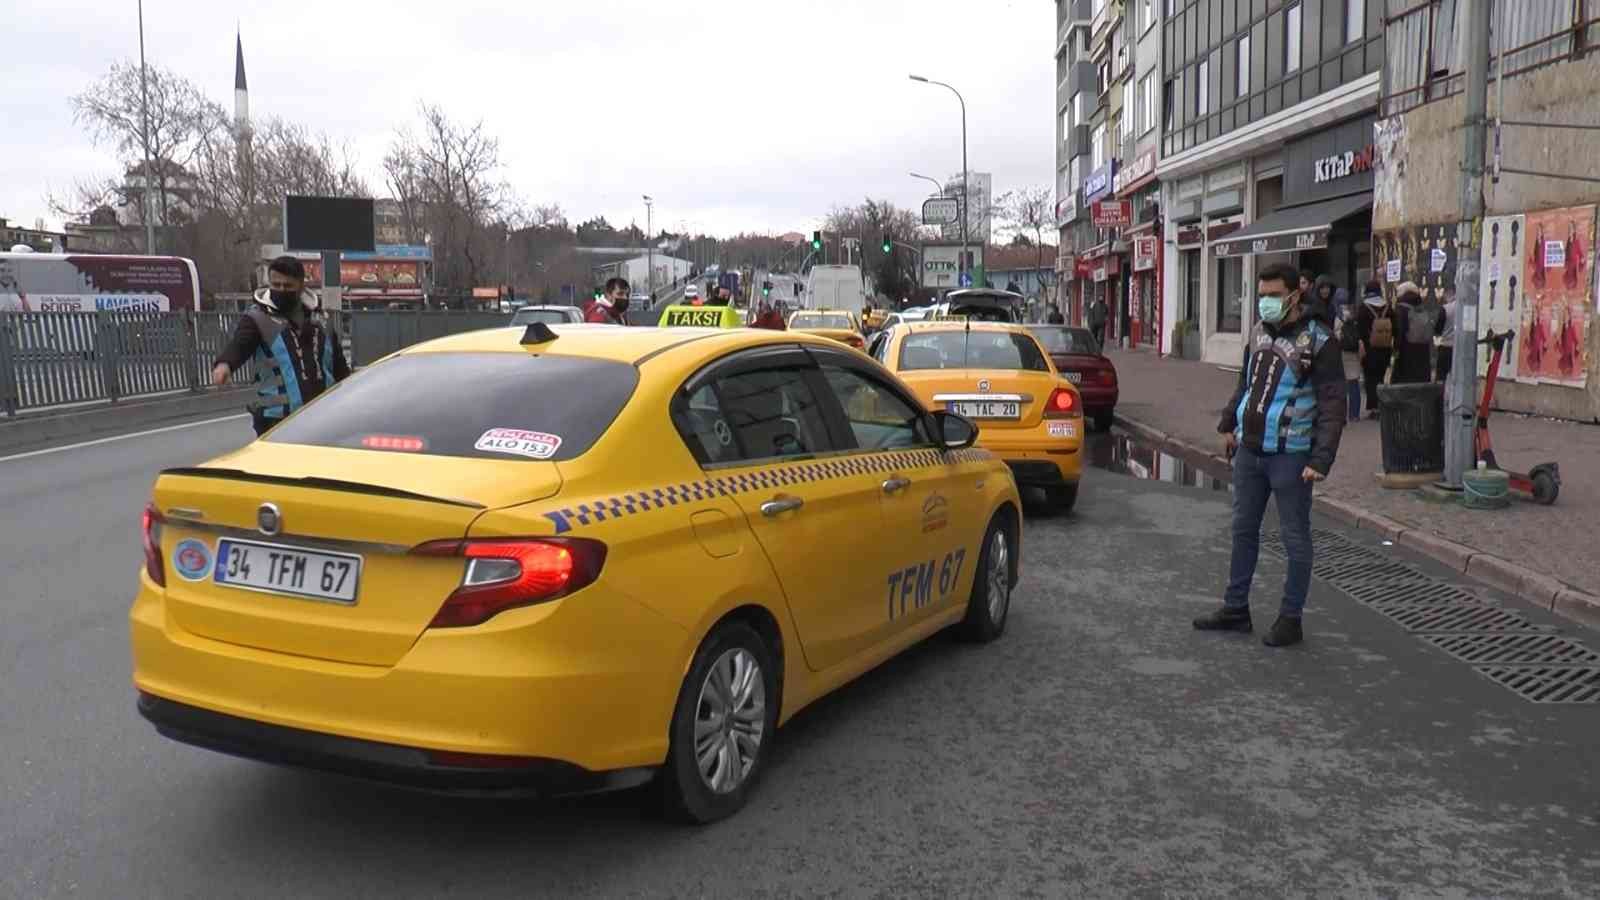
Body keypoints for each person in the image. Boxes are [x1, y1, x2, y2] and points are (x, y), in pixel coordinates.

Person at [1196, 262, 1346, 648]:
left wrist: (1320, 459)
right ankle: (1235, 609)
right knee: (1243, 530)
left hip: (1292, 456)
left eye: (1274, 295)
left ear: (1296, 294)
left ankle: (1290, 618)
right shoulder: (1259, 333)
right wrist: (1228, 425)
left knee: (1295, 538)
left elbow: (1333, 403)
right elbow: (1245, 384)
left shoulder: (1319, 341)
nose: (1266, 302)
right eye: (1262, 295)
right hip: (1250, 450)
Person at [212, 256, 351, 437]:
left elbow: (339, 366)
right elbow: (240, 344)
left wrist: (351, 398)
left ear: (301, 285)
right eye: (276, 285)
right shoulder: (257, 318)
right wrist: (225, 364)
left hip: (323, 417)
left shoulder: (321, 319)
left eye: (287, 286)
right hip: (276, 421)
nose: (281, 290)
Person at [1356, 282, 1394, 418]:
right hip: (1385, 348)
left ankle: (1373, 407)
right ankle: (1380, 405)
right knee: (1381, 376)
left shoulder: (1363, 307)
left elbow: (1359, 329)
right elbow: (1394, 326)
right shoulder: (1388, 306)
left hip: (1369, 349)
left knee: (1370, 378)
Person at [1392, 283, 1433, 384]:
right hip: (1423, 351)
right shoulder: (1422, 308)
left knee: (1404, 383)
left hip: (1406, 350)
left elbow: (1399, 331)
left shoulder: (1401, 309)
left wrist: (1395, 350)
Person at [1333, 286, 1363, 421]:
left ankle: (1342, 415)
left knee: (1342, 386)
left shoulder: (1337, 314)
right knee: (1354, 383)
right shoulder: (1353, 311)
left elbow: (1336, 334)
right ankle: (1354, 414)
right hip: (1354, 351)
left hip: (1342, 352)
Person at [1434, 287, 1458, 383]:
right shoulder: (1465, 307)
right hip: (1461, 348)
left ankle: (1440, 397)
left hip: (1446, 346)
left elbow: (1438, 329)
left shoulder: (1445, 309)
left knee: (1441, 377)